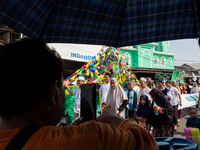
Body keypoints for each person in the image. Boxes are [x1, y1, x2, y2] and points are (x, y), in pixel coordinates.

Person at [0, 39, 158, 150]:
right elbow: (148, 144)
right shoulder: (93, 136)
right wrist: (111, 117)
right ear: (52, 93)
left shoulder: (124, 90)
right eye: (61, 86)